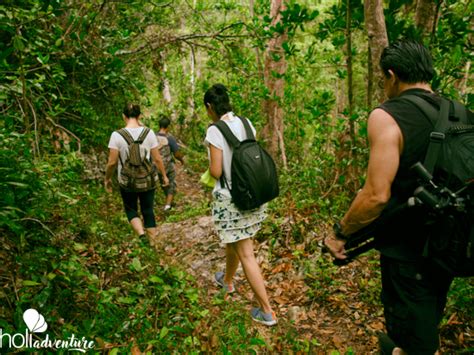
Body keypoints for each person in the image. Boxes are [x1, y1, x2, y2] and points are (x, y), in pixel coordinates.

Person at [324, 40, 473, 354]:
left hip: (408, 251)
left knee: (419, 342)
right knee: (423, 321)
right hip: (450, 243)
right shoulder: (460, 112)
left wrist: (340, 234)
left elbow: (376, 196)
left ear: (391, 75)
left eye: (383, 79)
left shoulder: (387, 116)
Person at [203, 83, 277, 326]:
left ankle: (266, 311)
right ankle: (227, 281)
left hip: (231, 198)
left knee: (246, 252)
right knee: (234, 241)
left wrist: (207, 174)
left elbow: (215, 170)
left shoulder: (215, 130)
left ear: (209, 107)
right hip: (252, 194)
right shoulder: (246, 123)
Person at [105, 103, 169, 242]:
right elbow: (157, 159)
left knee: (131, 210)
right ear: (139, 116)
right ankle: (153, 244)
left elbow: (112, 162)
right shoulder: (149, 133)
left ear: (124, 116)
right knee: (148, 210)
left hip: (127, 181)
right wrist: (164, 176)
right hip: (147, 179)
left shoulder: (116, 135)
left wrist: (107, 179)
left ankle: (141, 235)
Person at [156, 116, 184, 211]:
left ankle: (169, 202)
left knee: (163, 183)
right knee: (171, 183)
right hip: (168, 165)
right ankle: (167, 206)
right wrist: (182, 160)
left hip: (156, 166)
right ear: (168, 127)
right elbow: (176, 154)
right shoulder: (169, 138)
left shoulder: (153, 137)